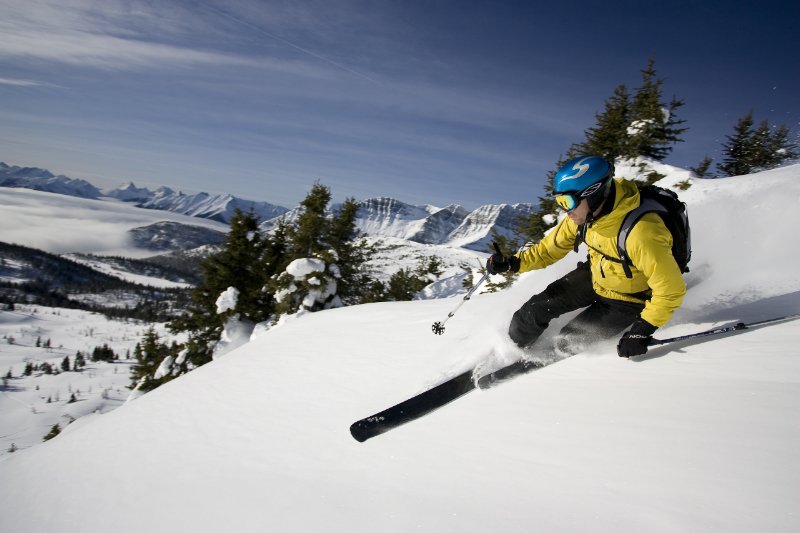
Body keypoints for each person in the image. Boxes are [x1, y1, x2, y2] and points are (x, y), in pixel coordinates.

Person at [487, 155, 686, 360]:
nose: (565, 210)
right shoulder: (583, 217)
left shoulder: (641, 233)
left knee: (568, 341)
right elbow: (549, 249)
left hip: (629, 299)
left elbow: (670, 290)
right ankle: (507, 353)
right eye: (559, 201)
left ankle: (552, 359)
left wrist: (643, 329)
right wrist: (514, 263)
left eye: (567, 201)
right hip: (595, 275)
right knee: (531, 312)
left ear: (594, 194)